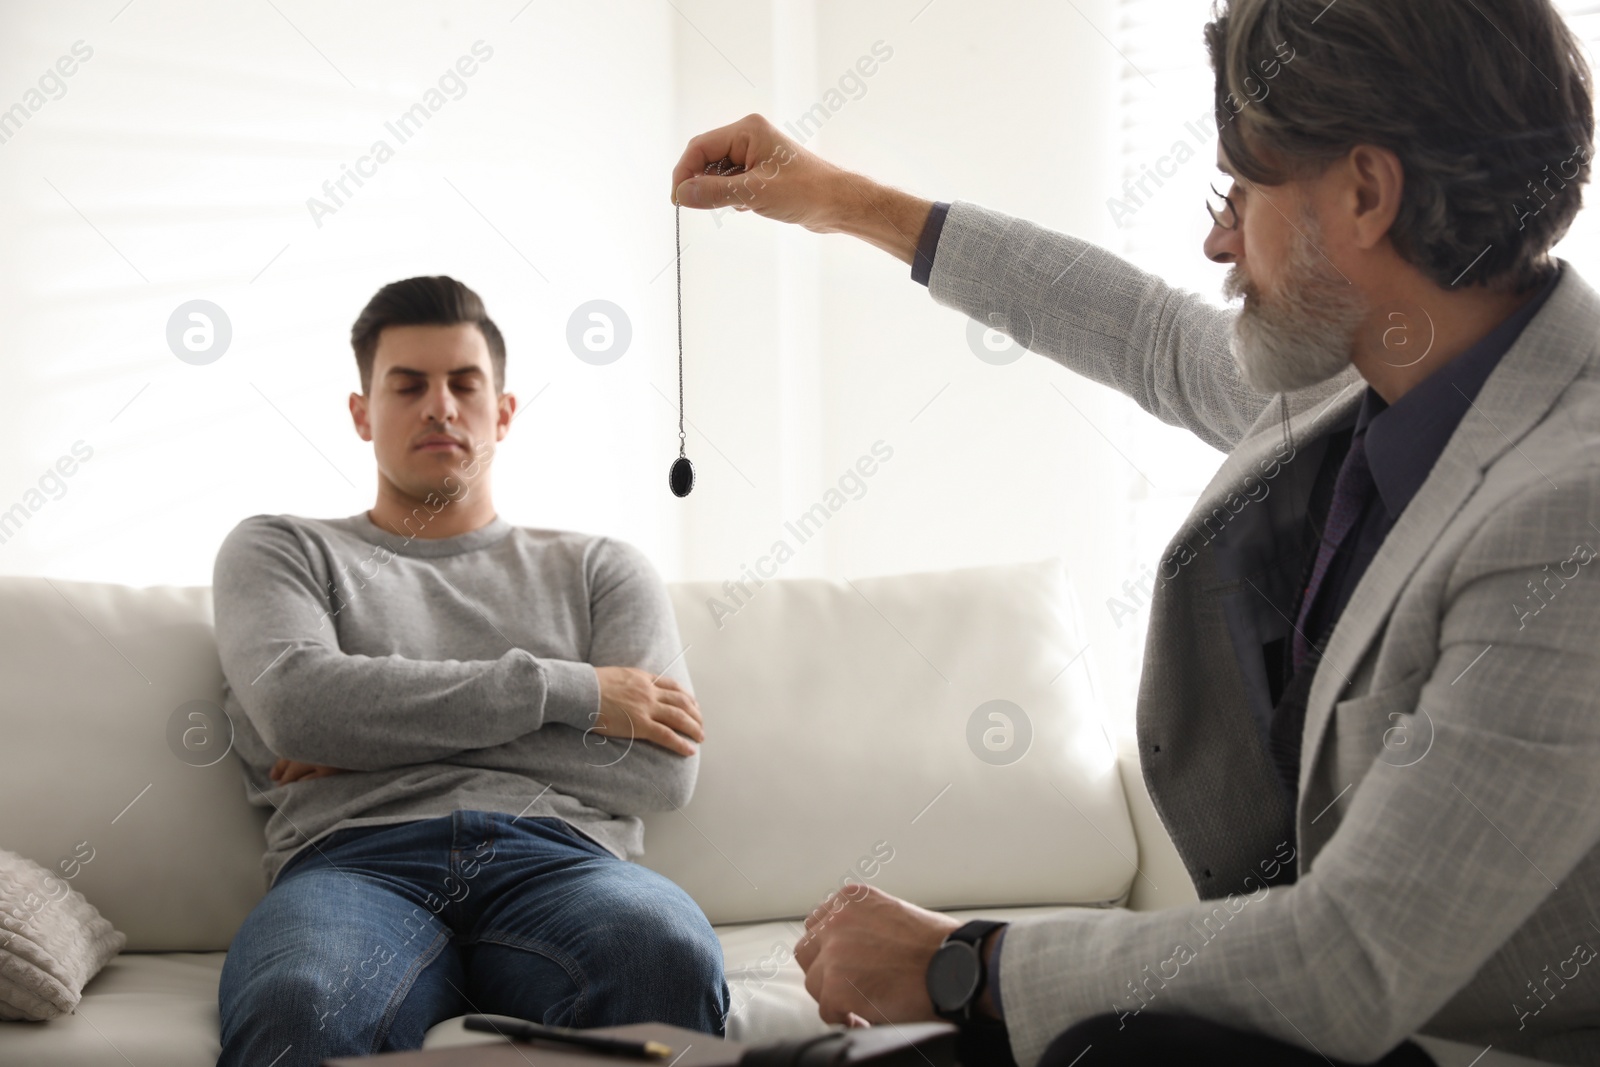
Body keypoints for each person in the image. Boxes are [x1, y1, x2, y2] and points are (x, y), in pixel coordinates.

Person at [671, 1, 1600, 1065]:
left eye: (1236, 192)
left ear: (1364, 193)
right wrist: (839, 201)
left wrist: (962, 960)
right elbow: (1144, 333)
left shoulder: (1567, 503)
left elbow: (1350, 959)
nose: (1215, 235)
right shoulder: (1380, 368)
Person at [211, 276, 726, 1065]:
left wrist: (377, 732)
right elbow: (299, 710)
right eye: (408, 385)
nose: (440, 406)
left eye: (464, 383)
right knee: (299, 1003)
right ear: (362, 412)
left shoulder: (602, 567)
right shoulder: (282, 550)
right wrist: (570, 693)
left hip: (564, 859)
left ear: (504, 411)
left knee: (662, 953)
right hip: (353, 861)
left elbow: (661, 774)